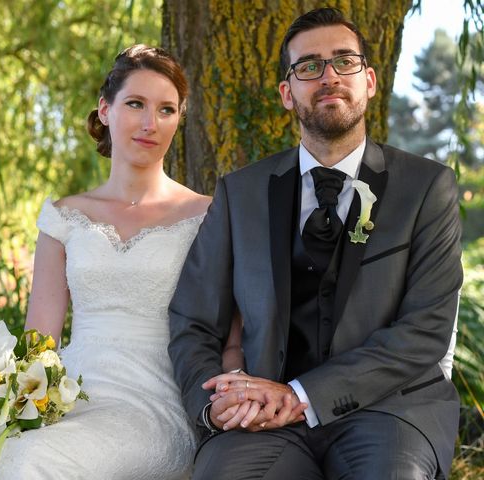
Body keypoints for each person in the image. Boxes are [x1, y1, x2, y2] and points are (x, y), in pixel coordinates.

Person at [169, 7, 462, 480]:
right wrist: (215, 404)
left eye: (344, 61)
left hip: (390, 413)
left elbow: (425, 331)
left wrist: (302, 394)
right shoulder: (240, 193)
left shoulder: (426, 188)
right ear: (288, 93)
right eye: (309, 66)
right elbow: (192, 320)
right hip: (262, 421)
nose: (328, 76)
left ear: (369, 80)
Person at [0, 44, 212, 479]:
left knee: (30, 463)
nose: (150, 123)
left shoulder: (206, 216)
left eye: (166, 110)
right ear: (105, 110)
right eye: (135, 104)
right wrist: (11, 406)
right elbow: (40, 338)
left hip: (155, 405)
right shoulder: (64, 216)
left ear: (179, 118)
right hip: (70, 397)